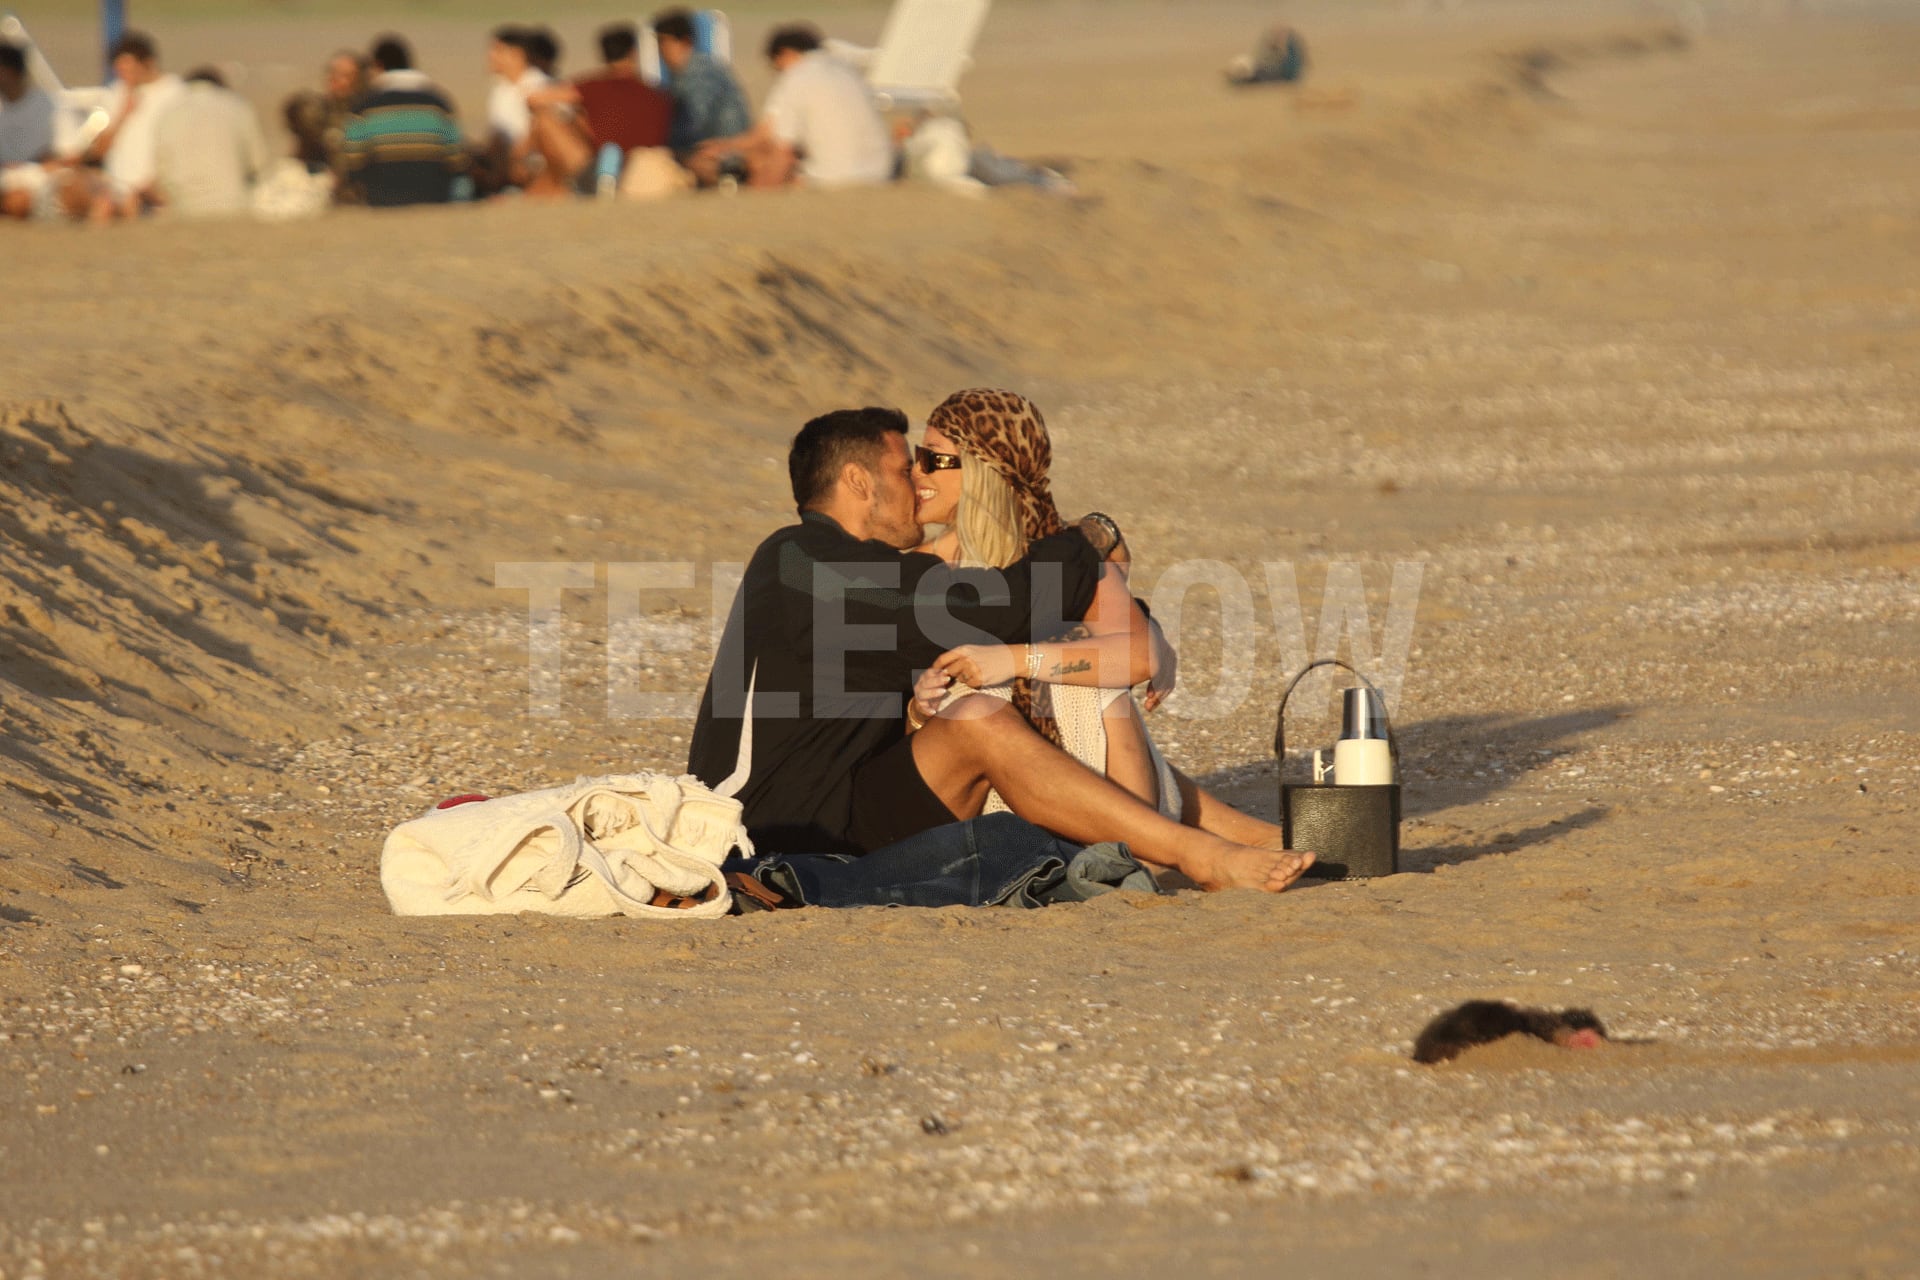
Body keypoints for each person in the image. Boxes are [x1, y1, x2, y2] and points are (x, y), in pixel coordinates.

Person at [686, 407, 1314, 893]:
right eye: (904, 469)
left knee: (1023, 691)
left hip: (851, 805)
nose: (918, 483)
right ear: (858, 481)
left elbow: (1013, 610)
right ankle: (1194, 854)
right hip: (775, 831)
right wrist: (1090, 537)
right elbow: (993, 610)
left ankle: (1254, 837)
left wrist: (1140, 625)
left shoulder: (862, 570)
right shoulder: (799, 560)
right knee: (981, 717)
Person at [907, 389, 1308, 863]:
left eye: (933, 459)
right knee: (1004, 685)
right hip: (990, 789)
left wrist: (1012, 659)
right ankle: (1198, 840)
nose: (916, 471)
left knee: (1087, 666)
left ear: (986, 469)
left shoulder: (1061, 554)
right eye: (917, 456)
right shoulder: (912, 570)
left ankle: (1154, 847)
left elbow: (1136, 658)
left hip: (1093, 779)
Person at [695, 24, 893, 189]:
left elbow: (780, 149)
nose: (778, 74)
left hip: (837, 177)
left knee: (759, 162)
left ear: (785, 54)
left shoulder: (796, 77)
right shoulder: (847, 71)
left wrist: (759, 190)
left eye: (776, 67)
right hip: (882, 171)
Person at [522, 21, 673, 193]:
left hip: (601, 169)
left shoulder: (593, 87)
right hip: (648, 167)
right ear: (634, 53)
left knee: (545, 120)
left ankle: (530, 178)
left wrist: (574, 117)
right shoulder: (656, 93)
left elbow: (535, 99)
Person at [339, 35, 465, 208]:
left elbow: (353, 163)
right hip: (435, 195)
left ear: (378, 66)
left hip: (380, 198)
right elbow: (457, 161)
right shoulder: (440, 104)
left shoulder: (363, 108)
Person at [83, 31, 186, 221]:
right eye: (120, 71)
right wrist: (122, 115)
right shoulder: (114, 94)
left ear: (148, 64)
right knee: (102, 208)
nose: (125, 77)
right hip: (116, 188)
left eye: (130, 70)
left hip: (156, 187)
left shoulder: (174, 91)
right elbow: (97, 151)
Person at [151, 67, 270, 218]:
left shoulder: (168, 112)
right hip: (233, 203)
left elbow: (161, 166)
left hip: (184, 207)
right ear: (221, 86)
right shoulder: (237, 106)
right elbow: (258, 162)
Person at [651, 8, 749, 163]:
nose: (660, 50)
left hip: (724, 154)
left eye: (664, 42)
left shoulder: (701, 73)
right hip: (711, 148)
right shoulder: (681, 75)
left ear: (685, 41)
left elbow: (694, 122)